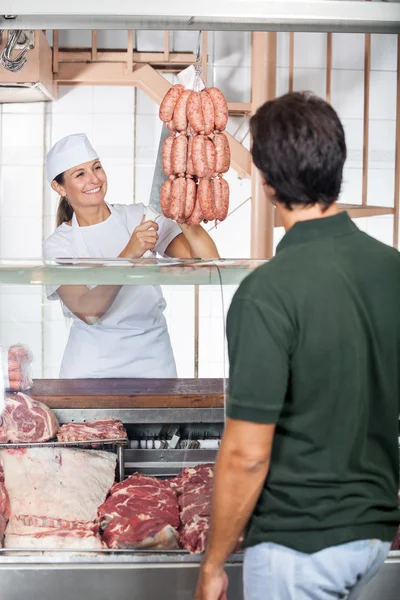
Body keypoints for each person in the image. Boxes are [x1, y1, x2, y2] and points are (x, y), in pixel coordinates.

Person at [195, 92, 400, 600]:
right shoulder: (392, 269)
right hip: (375, 534)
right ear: (337, 165)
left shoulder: (267, 291)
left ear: (265, 182)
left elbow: (245, 454)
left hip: (300, 545)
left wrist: (213, 565)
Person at [43, 133, 219, 379]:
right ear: (59, 187)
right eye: (79, 174)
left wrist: (183, 212)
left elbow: (208, 261)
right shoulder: (59, 245)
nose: (94, 179)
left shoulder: (141, 216)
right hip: (92, 369)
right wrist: (129, 254)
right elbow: (88, 310)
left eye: (97, 168)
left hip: (154, 361)